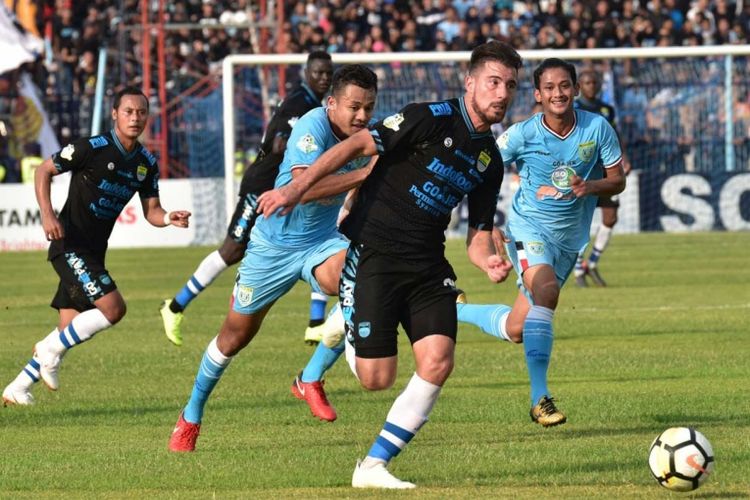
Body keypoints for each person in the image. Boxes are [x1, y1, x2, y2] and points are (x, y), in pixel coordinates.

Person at [257, 40, 521, 490]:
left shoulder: (489, 161)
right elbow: (358, 143)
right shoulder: (427, 116)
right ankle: (348, 308)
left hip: (426, 263)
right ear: (471, 82)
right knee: (376, 379)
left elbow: (478, 236)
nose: (501, 93)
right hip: (374, 251)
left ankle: (373, 466)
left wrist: (489, 262)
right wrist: (293, 191)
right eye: (493, 82)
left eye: (510, 86)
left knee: (438, 360)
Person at [167, 64, 378, 452]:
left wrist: (356, 205)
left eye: (368, 107)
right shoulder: (312, 126)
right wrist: (364, 175)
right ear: (331, 104)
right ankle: (191, 414)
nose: (362, 116)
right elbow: (304, 187)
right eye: (354, 107)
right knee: (233, 338)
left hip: (320, 243)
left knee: (365, 278)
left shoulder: (367, 136)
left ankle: (310, 377)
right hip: (271, 248)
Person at [2, 86, 191, 406]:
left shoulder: (145, 162)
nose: (135, 118)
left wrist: (169, 217)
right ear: (115, 114)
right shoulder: (92, 148)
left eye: (142, 112)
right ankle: (48, 352)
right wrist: (48, 215)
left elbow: (152, 212)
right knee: (114, 309)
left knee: (68, 328)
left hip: (93, 251)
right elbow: (43, 170)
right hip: (68, 244)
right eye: (129, 111)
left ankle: (18, 387)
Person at [159, 51, 334, 347]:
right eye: (318, 73)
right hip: (262, 186)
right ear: (306, 73)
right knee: (232, 250)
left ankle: (316, 323)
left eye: (328, 73)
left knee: (318, 237)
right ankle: (174, 307)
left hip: (286, 190)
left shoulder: (313, 106)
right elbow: (279, 141)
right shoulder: (298, 104)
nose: (324, 78)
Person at [486, 58, 625, 427]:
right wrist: (487, 224)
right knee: (546, 291)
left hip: (568, 242)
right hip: (527, 229)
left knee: (517, 329)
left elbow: (618, 180)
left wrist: (589, 187)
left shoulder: (597, 128)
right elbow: (483, 170)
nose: (557, 93)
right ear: (537, 94)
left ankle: (453, 309)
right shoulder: (521, 134)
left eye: (564, 85)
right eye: (549, 87)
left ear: (576, 90)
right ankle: (539, 399)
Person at [572, 69, 631, 287]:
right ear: (580, 85)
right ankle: (578, 269)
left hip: (606, 172)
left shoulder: (607, 109)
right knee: (580, 223)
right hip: (585, 172)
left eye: (594, 82)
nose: (591, 86)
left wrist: (624, 156)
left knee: (610, 218)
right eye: (587, 82)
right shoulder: (574, 108)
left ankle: (593, 263)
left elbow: (615, 136)